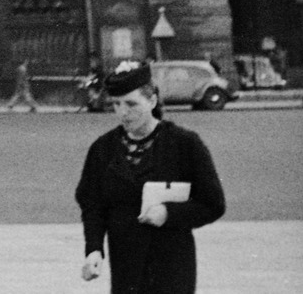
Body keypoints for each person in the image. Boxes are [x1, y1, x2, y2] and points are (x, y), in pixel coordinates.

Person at [76, 60, 225, 292]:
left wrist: (169, 213)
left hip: (172, 266)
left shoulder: (185, 144)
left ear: (152, 101)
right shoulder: (103, 149)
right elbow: (93, 205)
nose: (123, 112)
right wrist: (94, 249)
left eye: (131, 104)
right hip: (126, 266)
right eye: (116, 104)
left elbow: (213, 204)